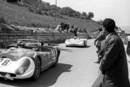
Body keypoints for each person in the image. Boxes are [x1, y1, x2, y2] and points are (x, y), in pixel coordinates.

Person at [93, 18, 130, 87]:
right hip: (113, 77)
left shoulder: (114, 40)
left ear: (104, 28)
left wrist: (101, 67)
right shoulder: (112, 38)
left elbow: (106, 61)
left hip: (115, 81)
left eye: (102, 27)